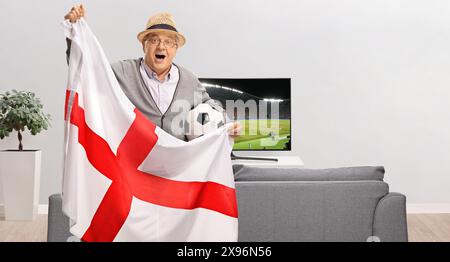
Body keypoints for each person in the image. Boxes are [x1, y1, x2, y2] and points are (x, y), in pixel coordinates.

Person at [64, 4, 241, 141]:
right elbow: (87, 72)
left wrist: (226, 123)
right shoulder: (123, 72)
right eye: (154, 40)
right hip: (133, 168)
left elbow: (210, 104)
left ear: (176, 48)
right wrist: (75, 34)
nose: (161, 46)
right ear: (144, 45)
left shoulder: (188, 80)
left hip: (176, 171)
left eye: (168, 42)